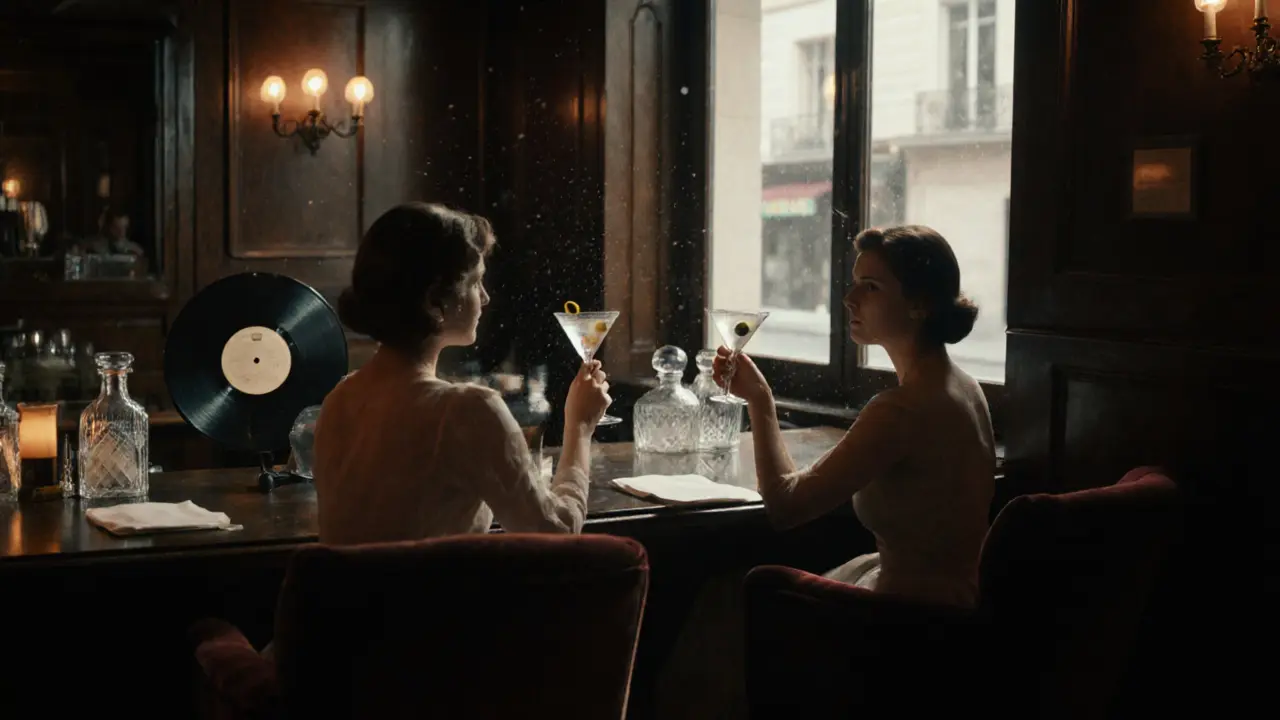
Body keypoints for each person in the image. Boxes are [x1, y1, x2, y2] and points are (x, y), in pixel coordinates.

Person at [656, 224, 995, 717]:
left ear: (919, 305)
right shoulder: (964, 386)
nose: (849, 298)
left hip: (906, 627)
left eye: (871, 287)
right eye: (854, 282)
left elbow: (785, 507)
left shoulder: (901, 409)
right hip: (962, 607)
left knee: (718, 601)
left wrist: (761, 400)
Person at [312, 202, 612, 545]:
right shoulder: (466, 410)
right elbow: (557, 532)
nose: (485, 298)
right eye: (475, 282)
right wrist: (579, 427)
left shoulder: (339, 401)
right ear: (434, 302)